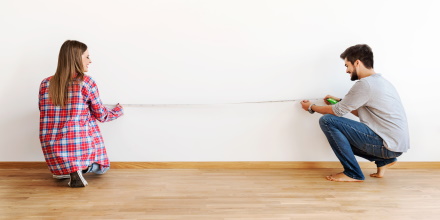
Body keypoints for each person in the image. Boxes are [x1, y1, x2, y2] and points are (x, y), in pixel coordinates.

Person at [300, 44, 409, 182]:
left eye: (347, 65)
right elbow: (363, 112)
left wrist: (311, 107)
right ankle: (383, 161)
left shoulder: (365, 84)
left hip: (387, 144)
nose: (347, 70)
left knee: (328, 120)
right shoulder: (380, 82)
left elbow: (337, 112)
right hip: (394, 145)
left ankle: (352, 173)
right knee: (340, 133)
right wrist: (339, 101)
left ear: (357, 63)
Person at [39, 40, 124, 187]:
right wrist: (118, 110)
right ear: (77, 58)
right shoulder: (86, 82)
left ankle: (65, 170)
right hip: (78, 145)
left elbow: (43, 111)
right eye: (87, 56)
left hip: (52, 149)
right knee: (103, 167)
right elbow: (102, 116)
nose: (90, 61)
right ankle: (81, 168)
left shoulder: (45, 83)